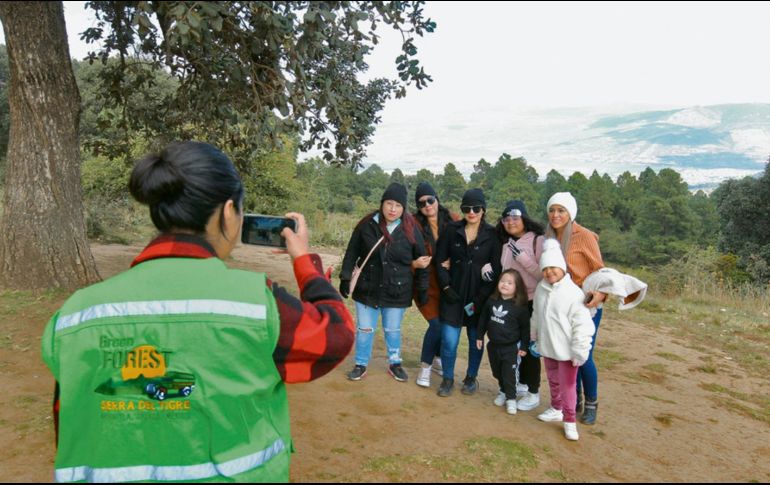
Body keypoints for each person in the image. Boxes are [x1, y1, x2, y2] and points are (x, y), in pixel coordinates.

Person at [41, 141, 355, 482]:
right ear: (228, 211)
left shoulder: (75, 313)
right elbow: (335, 334)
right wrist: (304, 263)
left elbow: (69, 414)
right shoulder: (256, 302)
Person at [339, 183, 429, 382]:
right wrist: (345, 277)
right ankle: (360, 364)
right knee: (365, 329)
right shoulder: (367, 224)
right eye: (389, 203)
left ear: (404, 208)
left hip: (397, 290)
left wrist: (423, 289)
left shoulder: (411, 229)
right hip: (367, 288)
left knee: (392, 329)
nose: (393, 209)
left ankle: (395, 363)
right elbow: (352, 251)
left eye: (398, 205)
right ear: (382, 203)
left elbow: (422, 261)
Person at [544, 191, 605, 425]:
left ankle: (591, 403)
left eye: (561, 210)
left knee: (583, 355)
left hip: (585, 305)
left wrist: (601, 295)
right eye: (552, 210)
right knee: (565, 355)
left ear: (571, 213)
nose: (556, 215)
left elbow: (601, 272)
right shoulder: (548, 237)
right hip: (559, 306)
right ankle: (574, 399)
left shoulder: (585, 236)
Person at [434, 188, 502, 397]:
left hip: (478, 300)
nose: (471, 212)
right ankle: (447, 378)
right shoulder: (451, 230)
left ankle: (471, 377)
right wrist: (446, 287)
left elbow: (497, 268)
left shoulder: (492, 235)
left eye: (476, 208)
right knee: (449, 341)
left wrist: (480, 299)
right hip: (452, 297)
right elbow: (439, 260)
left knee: (475, 340)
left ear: (483, 209)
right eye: (466, 208)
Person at [532, 239, 595, 441]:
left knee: (568, 386)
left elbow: (583, 325)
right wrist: (534, 334)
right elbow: (536, 314)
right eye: (546, 268)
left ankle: (569, 420)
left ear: (562, 268)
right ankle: (556, 408)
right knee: (552, 379)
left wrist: (580, 351)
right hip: (547, 345)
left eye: (554, 268)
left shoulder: (574, 293)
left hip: (567, 350)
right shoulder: (541, 289)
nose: (550, 272)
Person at [496, 199, 545, 412]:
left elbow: (544, 275)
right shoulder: (505, 243)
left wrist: (524, 259)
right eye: (506, 219)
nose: (510, 222)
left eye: (515, 217)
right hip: (512, 304)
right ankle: (518, 385)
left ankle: (534, 391)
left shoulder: (538, 241)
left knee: (530, 348)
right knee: (512, 347)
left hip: (532, 302)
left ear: (524, 218)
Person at [411, 182, 462, 388]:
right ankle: (425, 367)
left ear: (437, 199)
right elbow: (403, 248)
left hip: (447, 283)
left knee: (445, 323)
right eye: (422, 203)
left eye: (430, 200)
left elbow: (465, 245)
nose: (427, 205)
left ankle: (439, 358)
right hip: (425, 284)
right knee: (437, 324)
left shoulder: (453, 219)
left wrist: (454, 260)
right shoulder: (412, 224)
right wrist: (412, 264)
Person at [476, 269, 530, 415]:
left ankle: (511, 398)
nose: (505, 284)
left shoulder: (520, 308)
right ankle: (502, 391)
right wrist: (479, 336)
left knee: (509, 374)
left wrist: (524, 346)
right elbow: (483, 320)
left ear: (517, 287)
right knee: (497, 371)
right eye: (502, 281)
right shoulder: (491, 301)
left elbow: (525, 329)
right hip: (493, 345)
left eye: (509, 282)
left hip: (511, 348)